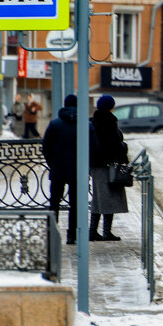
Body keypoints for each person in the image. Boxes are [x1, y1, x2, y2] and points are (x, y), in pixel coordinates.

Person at [42, 94, 97, 245]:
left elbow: (46, 147)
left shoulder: (54, 124)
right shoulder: (86, 125)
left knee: (54, 202)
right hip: (78, 171)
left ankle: (52, 233)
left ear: (65, 105)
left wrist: (52, 163)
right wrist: (88, 167)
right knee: (76, 203)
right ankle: (72, 235)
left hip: (58, 169)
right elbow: (93, 148)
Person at [89, 94, 129, 241]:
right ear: (110, 106)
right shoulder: (109, 122)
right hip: (108, 165)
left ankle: (93, 231)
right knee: (108, 199)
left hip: (96, 165)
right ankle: (105, 232)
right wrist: (124, 147)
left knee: (99, 199)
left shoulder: (94, 121)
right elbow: (114, 144)